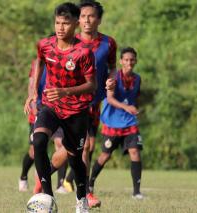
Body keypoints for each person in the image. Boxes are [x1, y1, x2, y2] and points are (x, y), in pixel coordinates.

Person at [24, 2, 97, 212]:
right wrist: (33, 92)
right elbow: (39, 61)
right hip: (50, 105)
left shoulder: (83, 52)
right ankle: (46, 195)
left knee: (75, 159)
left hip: (77, 111)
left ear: (76, 23)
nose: (60, 27)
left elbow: (92, 85)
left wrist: (66, 91)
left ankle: (81, 199)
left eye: (65, 23)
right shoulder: (45, 45)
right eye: (57, 23)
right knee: (38, 140)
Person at [47, 0, 117, 208]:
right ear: (78, 20)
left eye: (91, 16)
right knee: (83, 147)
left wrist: (111, 78)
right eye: (83, 16)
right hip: (73, 102)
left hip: (95, 102)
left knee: (81, 148)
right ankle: (86, 194)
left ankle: (43, 174)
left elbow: (112, 67)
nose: (87, 20)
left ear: (99, 19)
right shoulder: (69, 40)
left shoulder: (108, 43)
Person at [88, 47, 144, 200]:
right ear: (120, 61)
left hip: (129, 123)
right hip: (112, 123)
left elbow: (135, 98)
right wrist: (127, 107)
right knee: (105, 156)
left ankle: (137, 192)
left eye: (132, 59)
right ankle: (90, 183)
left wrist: (135, 109)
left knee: (135, 153)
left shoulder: (137, 79)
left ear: (136, 61)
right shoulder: (114, 78)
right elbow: (110, 98)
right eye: (126, 59)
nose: (129, 62)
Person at [19, 59, 68, 194]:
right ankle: (23, 176)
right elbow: (32, 88)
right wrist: (34, 107)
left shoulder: (67, 61)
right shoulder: (37, 63)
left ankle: (60, 184)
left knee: (61, 144)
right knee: (35, 151)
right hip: (40, 110)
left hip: (58, 110)